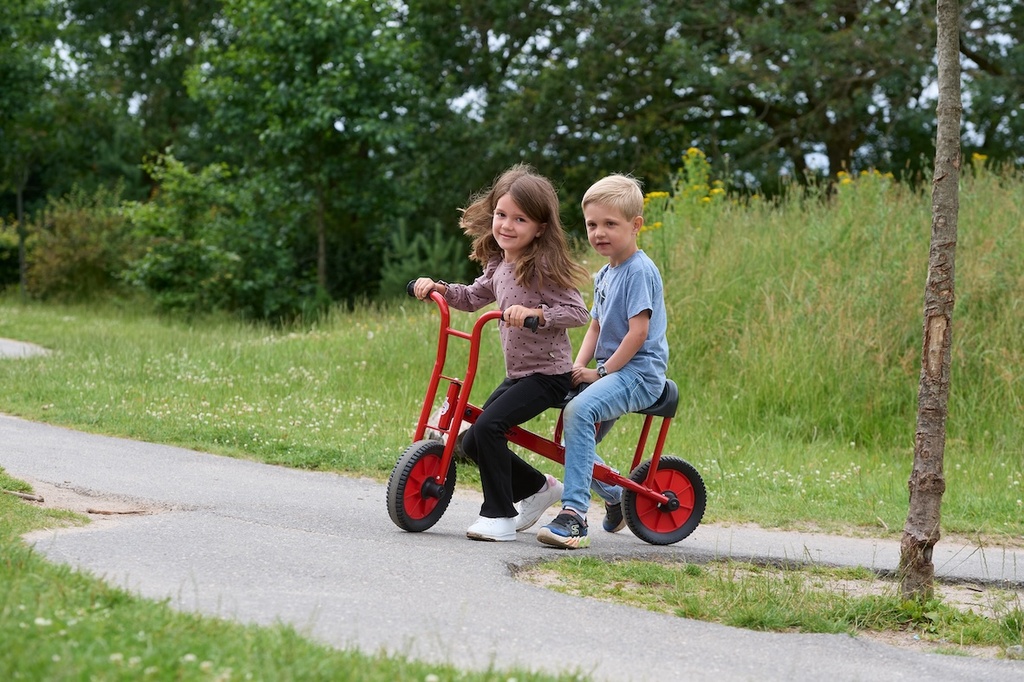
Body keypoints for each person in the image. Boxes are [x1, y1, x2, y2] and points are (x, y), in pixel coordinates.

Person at [413, 164, 591, 542]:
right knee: (475, 438)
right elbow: (473, 296)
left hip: (549, 376)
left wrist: (536, 315)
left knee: (490, 428)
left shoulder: (543, 265)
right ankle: (539, 488)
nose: (507, 226)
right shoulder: (499, 263)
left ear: (540, 227)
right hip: (520, 374)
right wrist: (439, 289)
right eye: (501, 215)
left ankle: (498, 516)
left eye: (519, 219)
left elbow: (578, 313)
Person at [537, 174, 670, 549]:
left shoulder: (640, 270)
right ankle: (615, 498)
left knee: (579, 414)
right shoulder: (605, 274)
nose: (600, 233)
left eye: (610, 224)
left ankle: (575, 516)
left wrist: (600, 373)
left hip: (639, 373)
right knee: (575, 433)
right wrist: (574, 370)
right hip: (611, 372)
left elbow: (638, 334)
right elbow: (594, 327)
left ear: (635, 225)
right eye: (592, 224)